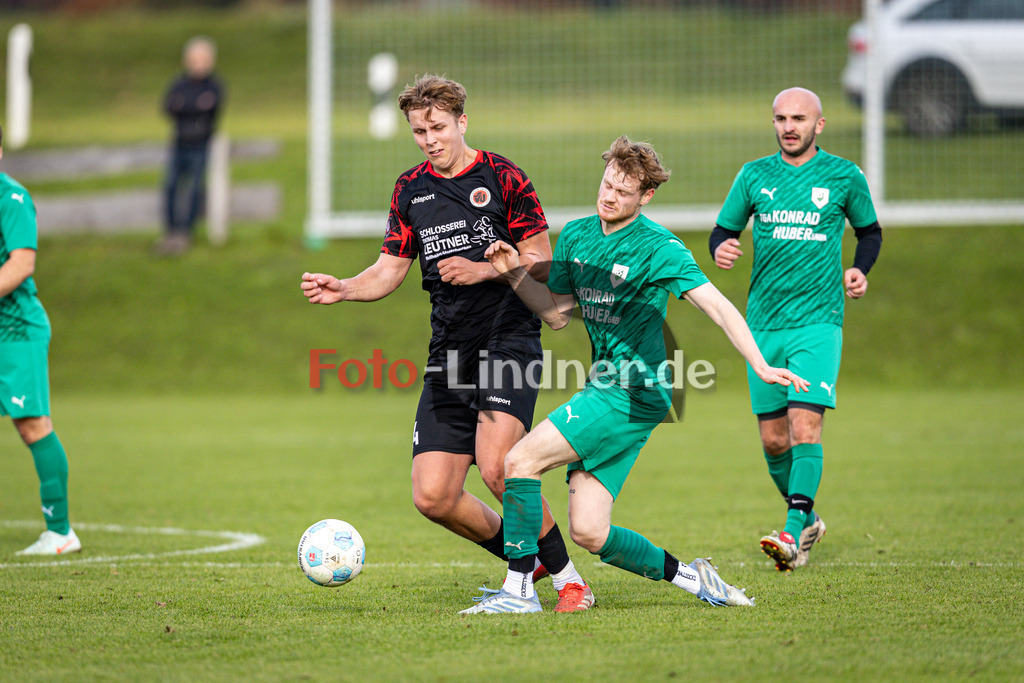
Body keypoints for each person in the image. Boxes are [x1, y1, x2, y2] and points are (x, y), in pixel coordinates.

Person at [461, 136, 808, 614]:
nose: (610, 196)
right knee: (589, 531)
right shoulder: (580, 234)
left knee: (518, 463)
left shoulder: (659, 247)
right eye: (607, 185)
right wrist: (512, 273)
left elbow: (719, 307)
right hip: (609, 388)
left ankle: (517, 594)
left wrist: (761, 364)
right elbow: (558, 313)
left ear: (645, 197)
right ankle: (698, 580)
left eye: (623, 192)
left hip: (631, 389)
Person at [301, 75, 594, 612]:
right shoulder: (409, 189)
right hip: (450, 354)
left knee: (500, 466)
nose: (429, 138)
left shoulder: (505, 178)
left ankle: (568, 582)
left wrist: (483, 269)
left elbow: (541, 264)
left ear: (462, 121)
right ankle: (523, 566)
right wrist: (344, 288)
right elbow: (389, 270)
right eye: (418, 130)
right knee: (433, 495)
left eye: (437, 127)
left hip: (510, 339)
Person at [710, 87, 882, 571]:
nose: (789, 126)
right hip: (763, 326)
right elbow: (723, 231)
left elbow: (869, 232)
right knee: (774, 441)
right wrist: (721, 248)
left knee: (805, 427)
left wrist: (859, 269)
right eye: (781, 118)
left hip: (818, 324)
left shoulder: (844, 176)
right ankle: (808, 517)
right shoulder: (754, 175)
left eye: (799, 118)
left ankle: (791, 529)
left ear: (818, 125)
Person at [0, 125, 81, 556]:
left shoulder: (10, 199)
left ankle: (61, 532)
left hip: (14, 332)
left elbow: (21, 265)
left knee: (32, 425)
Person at [157, 36, 225, 256]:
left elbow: (209, 108)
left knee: (195, 189)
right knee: (170, 186)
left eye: (203, 59)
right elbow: (169, 106)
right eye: (195, 59)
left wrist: (186, 107)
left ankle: (186, 233)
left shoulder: (214, 86)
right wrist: (194, 107)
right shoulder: (179, 83)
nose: (199, 64)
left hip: (201, 145)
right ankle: (170, 232)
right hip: (179, 143)